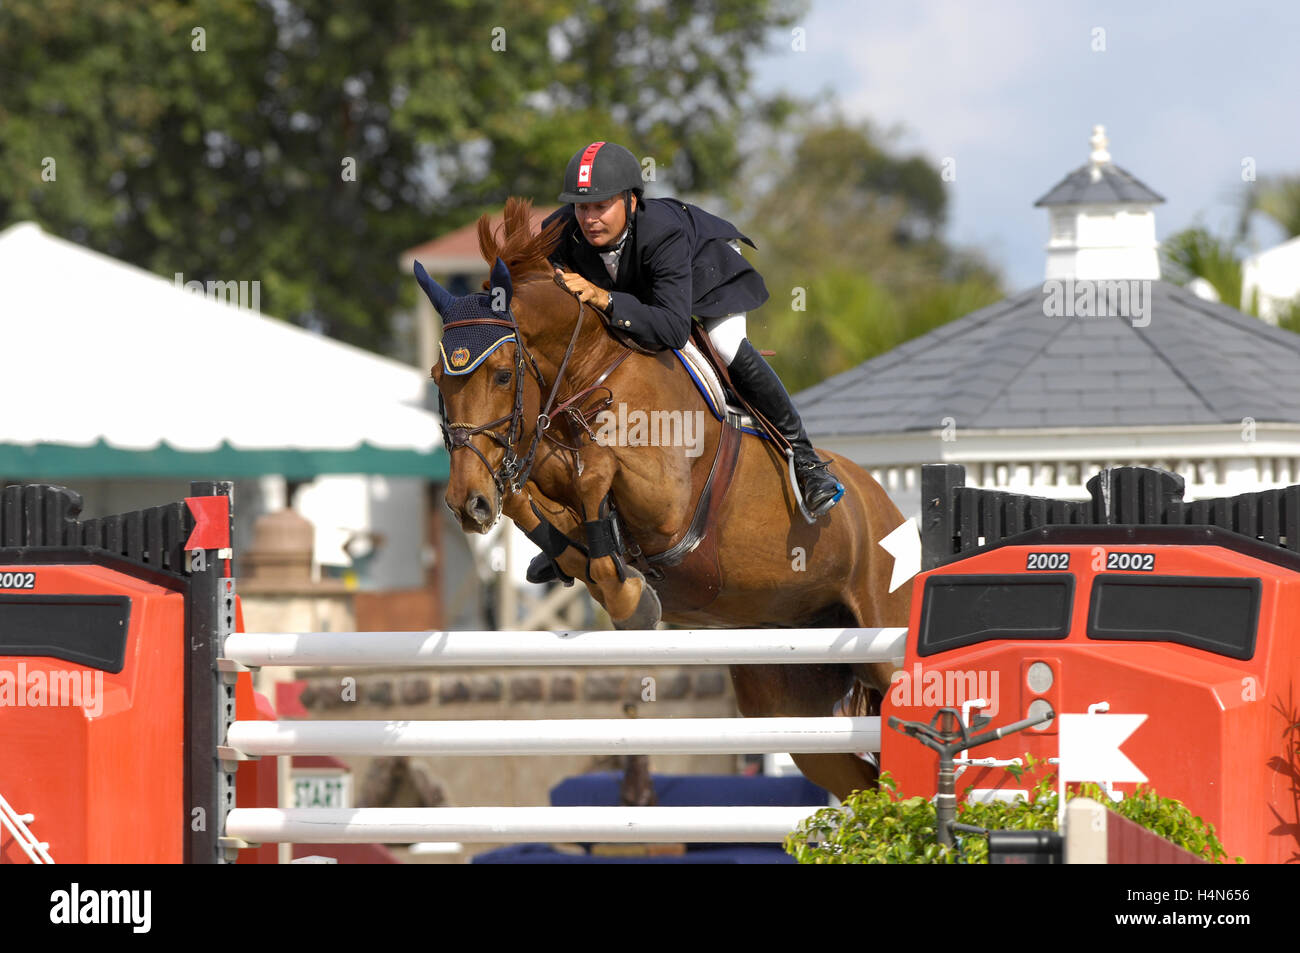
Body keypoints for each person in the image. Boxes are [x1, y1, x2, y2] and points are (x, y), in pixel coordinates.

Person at [528, 142, 843, 582]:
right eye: (581, 208)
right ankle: (576, 533)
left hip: (703, 279)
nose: (589, 217)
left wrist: (605, 298)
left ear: (631, 201)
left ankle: (806, 462)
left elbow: (674, 329)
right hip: (638, 295)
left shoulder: (661, 231)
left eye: (601, 206)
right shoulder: (558, 232)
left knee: (726, 344)